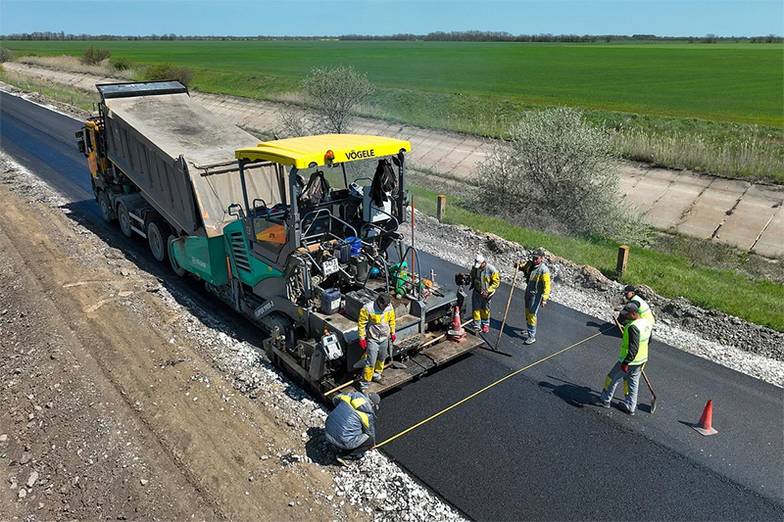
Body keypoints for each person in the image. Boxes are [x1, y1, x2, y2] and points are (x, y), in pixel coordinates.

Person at [599, 302, 653, 415]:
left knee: (611, 378)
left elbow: (633, 348)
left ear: (634, 313)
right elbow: (649, 341)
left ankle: (605, 400)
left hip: (630, 360)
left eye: (627, 314)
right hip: (642, 359)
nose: (625, 316)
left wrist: (626, 362)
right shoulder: (646, 323)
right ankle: (630, 406)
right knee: (633, 382)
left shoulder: (633, 327)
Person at [325, 391, 380, 465]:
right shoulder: (367, 415)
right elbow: (370, 433)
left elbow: (335, 399)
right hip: (342, 441)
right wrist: (372, 444)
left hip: (328, 428)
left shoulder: (349, 396)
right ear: (372, 404)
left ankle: (332, 444)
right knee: (369, 440)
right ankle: (345, 456)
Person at [357, 293, 396, 388]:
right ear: (379, 302)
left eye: (387, 305)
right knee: (371, 362)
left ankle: (377, 375)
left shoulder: (389, 307)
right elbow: (361, 324)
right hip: (373, 339)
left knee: (382, 358)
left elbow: (392, 320)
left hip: (384, 338)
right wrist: (362, 338)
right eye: (384, 305)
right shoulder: (368, 308)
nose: (386, 307)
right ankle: (364, 383)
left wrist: (393, 332)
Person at [515, 247, 551, 345]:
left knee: (531, 314)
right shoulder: (530, 264)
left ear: (542, 258)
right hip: (528, 291)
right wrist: (518, 265)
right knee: (527, 312)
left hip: (535, 295)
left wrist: (544, 298)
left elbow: (547, 286)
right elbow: (523, 268)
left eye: (537, 258)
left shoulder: (544, 270)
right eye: (533, 258)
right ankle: (529, 328)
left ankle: (532, 336)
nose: (534, 260)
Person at [469, 254, 500, 333]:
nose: (479, 267)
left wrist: (488, 290)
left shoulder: (491, 270)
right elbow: (472, 276)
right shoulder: (475, 268)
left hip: (487, 294)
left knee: (485, 309)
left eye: (480, 265)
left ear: (483, 263)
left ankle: (485, 324)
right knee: (476, 309)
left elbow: (496, 283)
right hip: (477, 291)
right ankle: (476, 325)